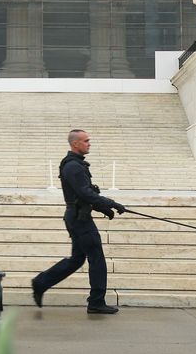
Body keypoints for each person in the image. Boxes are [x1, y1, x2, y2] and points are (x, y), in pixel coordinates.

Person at [30, 129, 126, 315]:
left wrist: (103, 208)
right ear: (75, 144)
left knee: (77, 259)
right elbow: (84, 193)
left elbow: (83, 194)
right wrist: (111, 203)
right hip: (79, 219)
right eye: (86, 140)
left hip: (78, 216)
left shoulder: (75, 165)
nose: (89, 143)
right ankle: (96, 301)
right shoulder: (73, 166)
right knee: (96, 258)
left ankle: (41, 282)